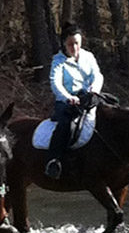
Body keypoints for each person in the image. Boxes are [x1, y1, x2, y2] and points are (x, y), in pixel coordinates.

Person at [45, 21, 104, 180]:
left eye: (77, 43)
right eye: (70, 44)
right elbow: (55, 82)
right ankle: (54, 160)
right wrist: (67, 97)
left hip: (89, 97)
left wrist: (94, 91)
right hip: (67, 102)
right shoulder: (58, 60)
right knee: (66, 124)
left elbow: (97, 76)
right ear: (64, 43)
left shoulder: (88, 56)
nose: (74, 48)